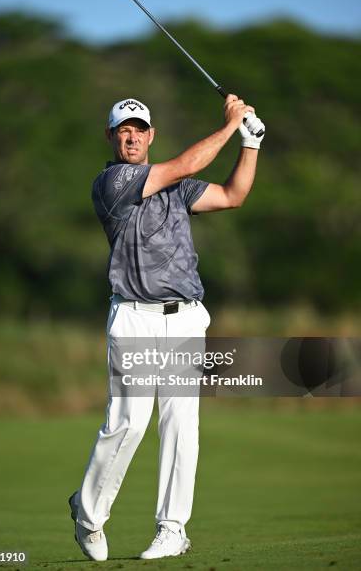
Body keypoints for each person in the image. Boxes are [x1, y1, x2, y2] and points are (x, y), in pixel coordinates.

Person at [68, 95, 265, 561]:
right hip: (133, 316)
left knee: (181, 425)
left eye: (138, 129)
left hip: (184, 316)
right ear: (112, 137)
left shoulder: (179, 189)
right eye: (122, 129)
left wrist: (250, 142)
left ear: (150, 134)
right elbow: (180, 165)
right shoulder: (111, 182)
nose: (131, 136)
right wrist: (231, 123)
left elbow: (234, 195)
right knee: (129, 423)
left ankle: (172, 529)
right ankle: (88, 516)